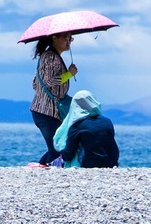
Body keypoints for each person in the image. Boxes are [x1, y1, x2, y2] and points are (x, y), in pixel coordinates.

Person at [29, 33, 77, 163]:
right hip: (46, 112)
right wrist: (69, 74)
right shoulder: (50, 57)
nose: (69, 41)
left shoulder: (50, 56)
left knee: (56, 147)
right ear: (54, 38)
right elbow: (49, 81)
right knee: (57, 148)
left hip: (45, 111)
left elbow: (35, 83)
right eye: (66, 38)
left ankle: (40, 168)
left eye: (70, 38)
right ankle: (45, 171)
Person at [47, 90, 120, 168]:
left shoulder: (77, 126)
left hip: (89, 164)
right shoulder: (107, 122)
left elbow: (68, 155)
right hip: (111, 163)